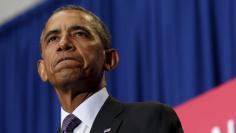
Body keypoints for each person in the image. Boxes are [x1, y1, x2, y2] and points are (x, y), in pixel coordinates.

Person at [37, 5, 184, 133]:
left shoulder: (149, 120)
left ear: (109, 59)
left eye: (79, 34)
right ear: (42, 70)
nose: (63, 44)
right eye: (53, 39)